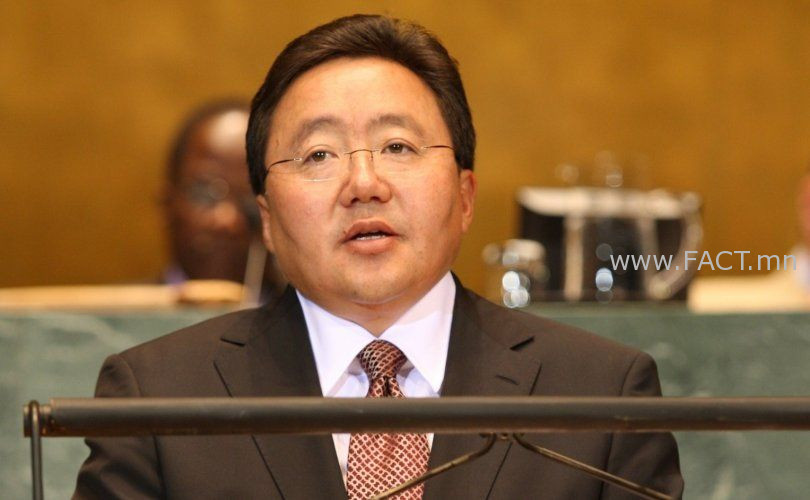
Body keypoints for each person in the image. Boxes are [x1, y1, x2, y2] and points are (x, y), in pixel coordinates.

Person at [74, 14, 683, 499]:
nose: (364, 183)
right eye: (318, 155)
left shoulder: (601, 394)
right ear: (268, 218)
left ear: (465, 196)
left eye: (398, 146)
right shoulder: (160, 399)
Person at [161, 100, 282, 300]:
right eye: (204, 193)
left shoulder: (312, 316)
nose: (227, 221)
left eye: (250, 196)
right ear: (167, 203)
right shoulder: (118, 314)